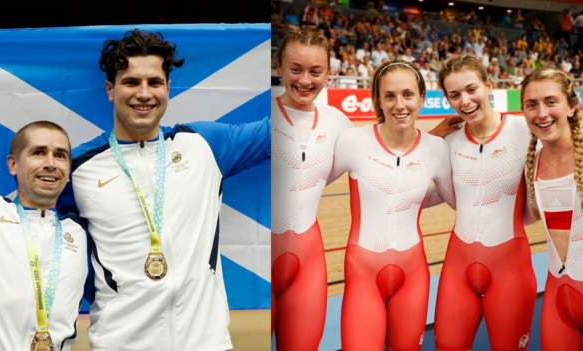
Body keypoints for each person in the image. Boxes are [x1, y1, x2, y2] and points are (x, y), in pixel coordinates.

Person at [58, 29, 270, 350]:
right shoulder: (77, 167)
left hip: (206, 343)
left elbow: (277, 130)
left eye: (154, 82)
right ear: (110, 90)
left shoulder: (204, 145)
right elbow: (16, 228)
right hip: (120, 343)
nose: (144, 93)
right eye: (131, 82)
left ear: (169, 88)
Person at [331, 61, 455, 350]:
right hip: (364, 274)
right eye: (390, 96)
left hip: (412, 274)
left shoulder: (436, 149)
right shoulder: (353, 141)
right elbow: (307, 185)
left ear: (422, 98)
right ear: (377, 100)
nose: (400, 104)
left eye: (408, 95)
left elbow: (454, 200)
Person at [433, 54, 537, 350]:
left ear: (488, 85)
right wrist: (427, 141)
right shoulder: (449, 142)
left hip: (510, 266)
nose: (465, 101)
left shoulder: (523, 131)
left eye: (471, 89)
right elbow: (431, 192)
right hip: (458, 266)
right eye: (455, 95)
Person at [0, 121, 88, 350]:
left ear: (69, 170)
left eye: (60, 156)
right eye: (38, 153)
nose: (50, 163)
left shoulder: (81, 232)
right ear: (13, 164)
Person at [271, 29, 351, 351]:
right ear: (279, 67)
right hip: (256, 257)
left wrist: (438, 137)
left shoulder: (337, 122)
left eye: (315, 71)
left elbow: (383, 152)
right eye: (295, 69)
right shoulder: (260, 111)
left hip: (308, 258)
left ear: (328, 74)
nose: (305, 80)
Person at [521, 68, 583, 350]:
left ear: (571, 106)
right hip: (559, 296)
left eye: (550, 101)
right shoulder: (532, 161)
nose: (541, 113)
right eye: (531, 105)